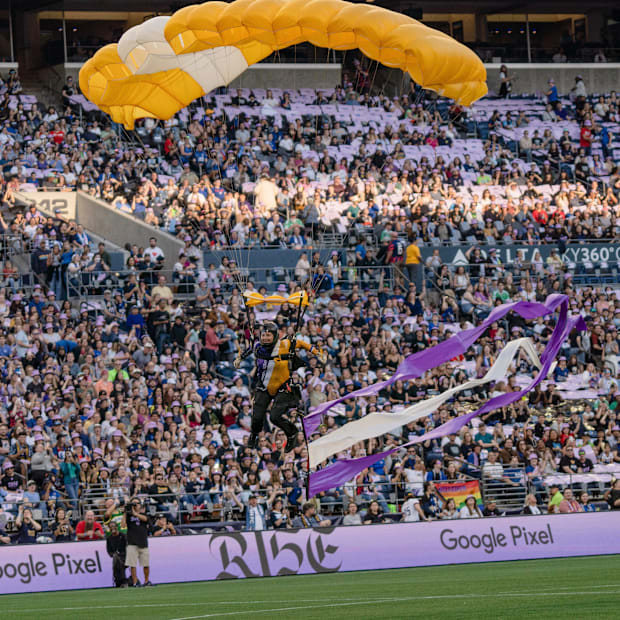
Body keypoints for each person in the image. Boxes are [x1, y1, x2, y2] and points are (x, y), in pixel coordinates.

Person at [235, 320, 322, 451]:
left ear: (275, 335)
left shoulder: (285, 344)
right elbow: (249, 350)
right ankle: (254, 434)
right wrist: (239, 358)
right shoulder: (258, 346)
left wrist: (316, 352)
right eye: (263, 335)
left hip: (283, 386)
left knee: (275, 416)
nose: (265, 338)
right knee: (257, 416)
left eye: (268, 335)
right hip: (264, 386)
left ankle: (292, 433)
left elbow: (301, 343)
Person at [125, 497, 152, 587]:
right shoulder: (128, 516)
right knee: (132, 564)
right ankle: (135, 582)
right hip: (132, 542)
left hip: (143, 542)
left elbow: (146, 519)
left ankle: (146, 581)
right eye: (134, 503)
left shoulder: (144, 513)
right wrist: (126, 512)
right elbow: (123, 525)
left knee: (146, 564)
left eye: (137, 503)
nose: (135, 505)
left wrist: (135, 514)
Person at [106, 521, 128, 588]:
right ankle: (121, 581)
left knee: (118, 561)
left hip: (124, 556)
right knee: (116, 559)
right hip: (115, 557)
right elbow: (109, 551)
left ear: (116, 527)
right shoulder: (109, 538)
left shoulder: (123, 536)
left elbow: (127, 547)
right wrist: (114, 554)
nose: (112, 528)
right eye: (111, 527)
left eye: (113, 526)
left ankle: (121, 581)